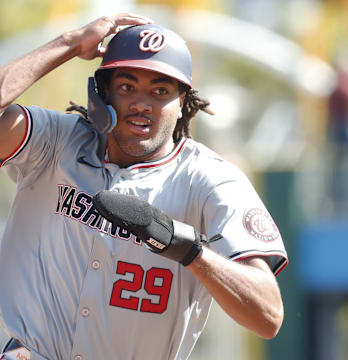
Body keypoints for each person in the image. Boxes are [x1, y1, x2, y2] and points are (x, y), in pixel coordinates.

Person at [0, 12, 288, 360]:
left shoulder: (210, 181)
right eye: (127, 86)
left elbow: (268, 316)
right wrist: (70, 44)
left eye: (160, 91)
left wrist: (186, 247)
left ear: (182, 103)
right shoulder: (54, 141)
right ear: (101, 92)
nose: (141, 103)